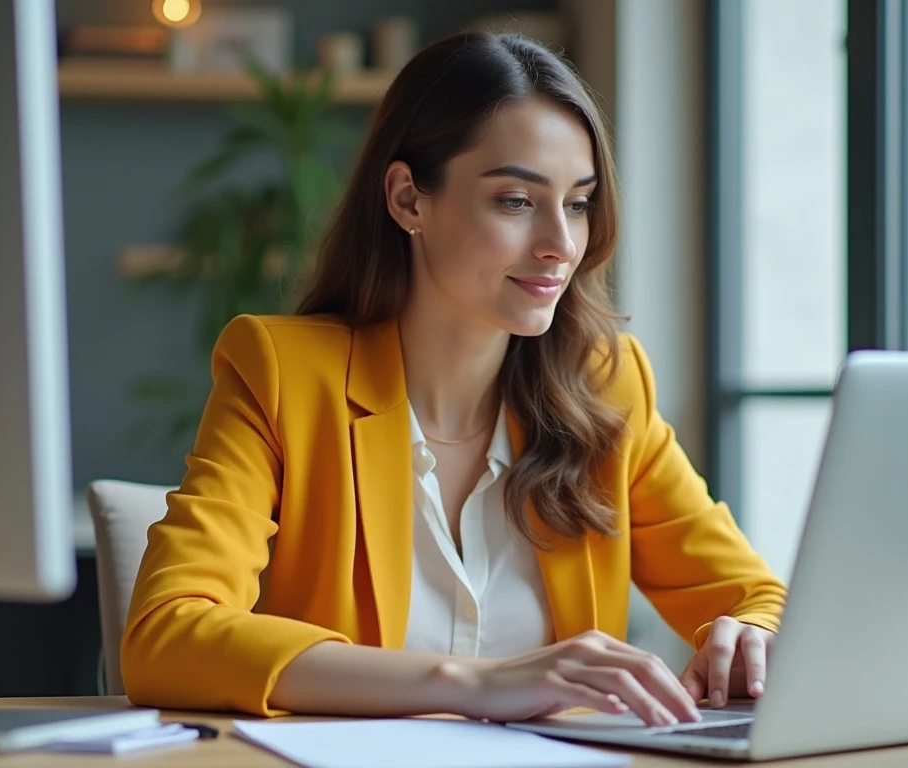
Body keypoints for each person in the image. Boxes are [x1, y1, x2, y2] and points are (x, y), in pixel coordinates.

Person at [120, 31, 786, 727]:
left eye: (579, 202)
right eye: (516, 201)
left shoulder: (605, 388)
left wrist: (752, 637)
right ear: (409, 199)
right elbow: (166, 635)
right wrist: (470, 683)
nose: (561, 243)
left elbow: (753, 598)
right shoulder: (284, 376)